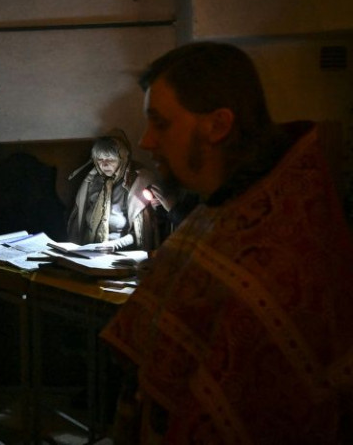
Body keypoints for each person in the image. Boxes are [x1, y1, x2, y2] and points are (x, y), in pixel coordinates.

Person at [100, 42, 353, 444]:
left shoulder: (278, 251)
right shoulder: (227, 201)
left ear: (217, 126)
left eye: (160, 123)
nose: (147, 141)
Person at [67, 128, 163, 252]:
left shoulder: (136, 183)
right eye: (100, 160)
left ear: (122, 160)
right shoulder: (92, 181)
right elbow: (80, 221)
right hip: (89, 249)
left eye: (110, 160)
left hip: (120, 252)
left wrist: (115, 245)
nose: (104, 165)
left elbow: (143, 231)